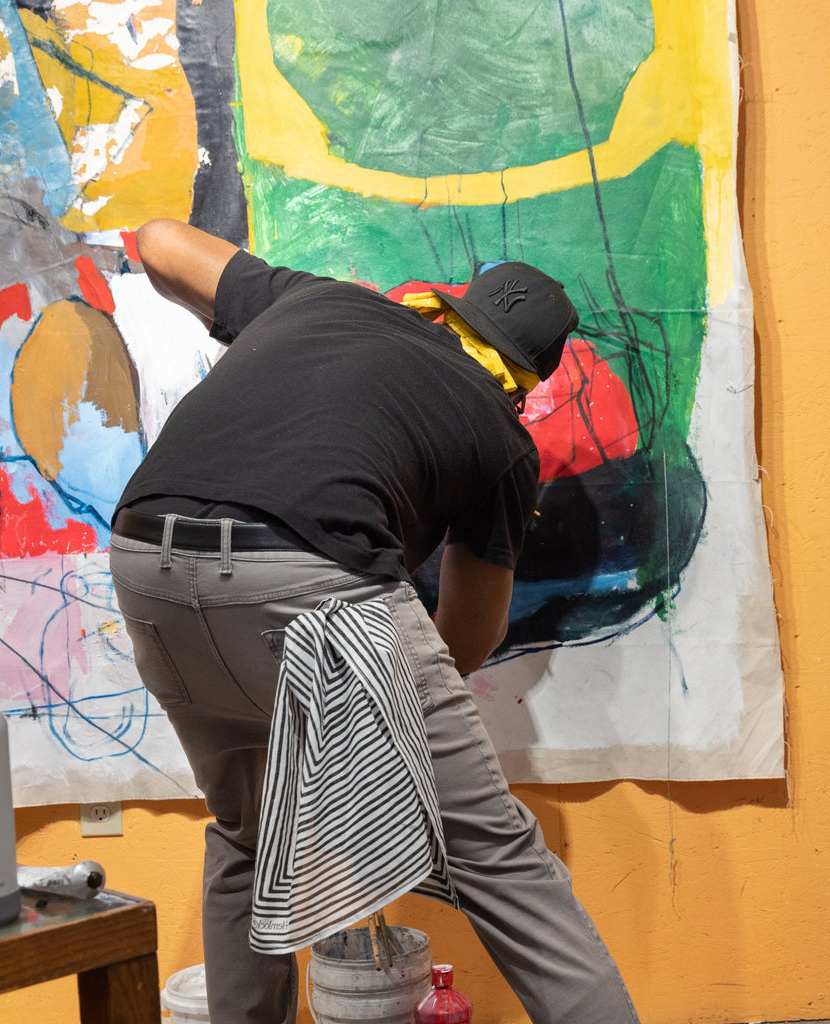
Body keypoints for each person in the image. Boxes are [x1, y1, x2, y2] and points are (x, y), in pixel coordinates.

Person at [109, 218, 640, 1024]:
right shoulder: (498, 432)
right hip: (308, 576)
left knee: (249, 836)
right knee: (497, 858)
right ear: (526, 380)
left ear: (450, 310)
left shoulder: (316, 300)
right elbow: (468, 635)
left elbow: (155, 241)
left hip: (144, 556)